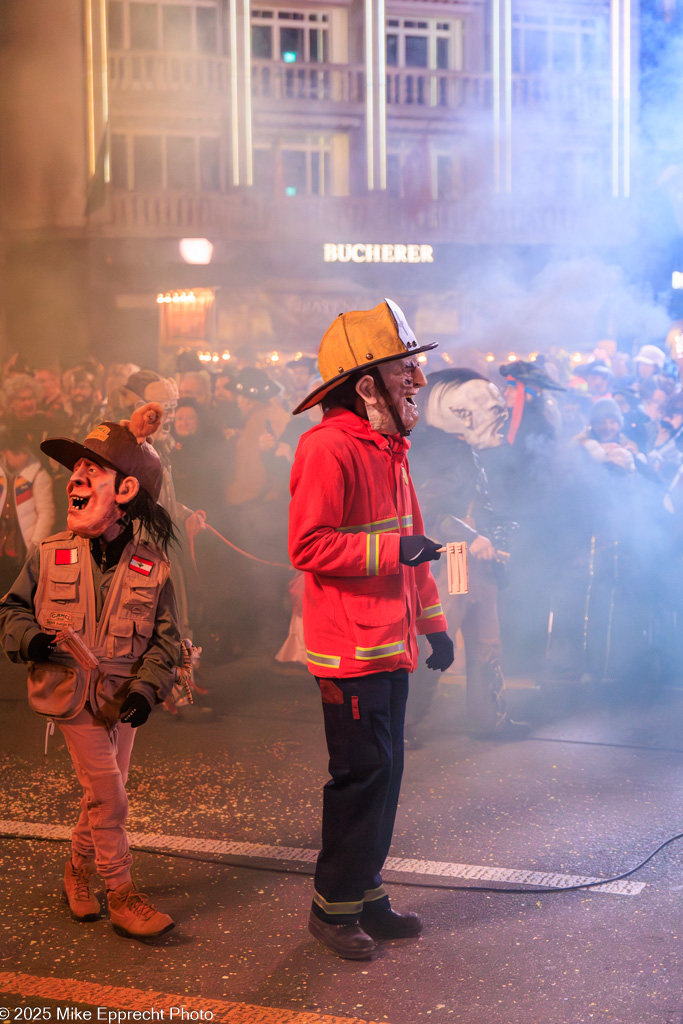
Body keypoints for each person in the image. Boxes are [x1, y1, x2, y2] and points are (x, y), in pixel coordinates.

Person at [289, 298, 454, 960]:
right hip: (348, 652)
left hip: (391, 646)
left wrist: (436, 624)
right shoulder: (327, 447)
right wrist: (395, 555)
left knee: (384, 774)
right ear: (366, 384)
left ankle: (365, 896)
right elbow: (309, 546)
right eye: (404, 370)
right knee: (361, 776)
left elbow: (410, 540)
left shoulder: (389, 449)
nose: (416, 380)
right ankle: (332, 912)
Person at [0, 404, 182, 938]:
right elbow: (11, 609)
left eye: (91, 471)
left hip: (120, 700)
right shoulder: (49, 552)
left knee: (102, 792)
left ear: (125, 492)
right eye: (74, 471)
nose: (74, 480)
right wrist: (30, 639)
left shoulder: (152, 565)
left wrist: (147, 692)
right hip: (69, 697)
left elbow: (166, 640)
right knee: (111, 795)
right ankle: (121, 894)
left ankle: (76, 869)